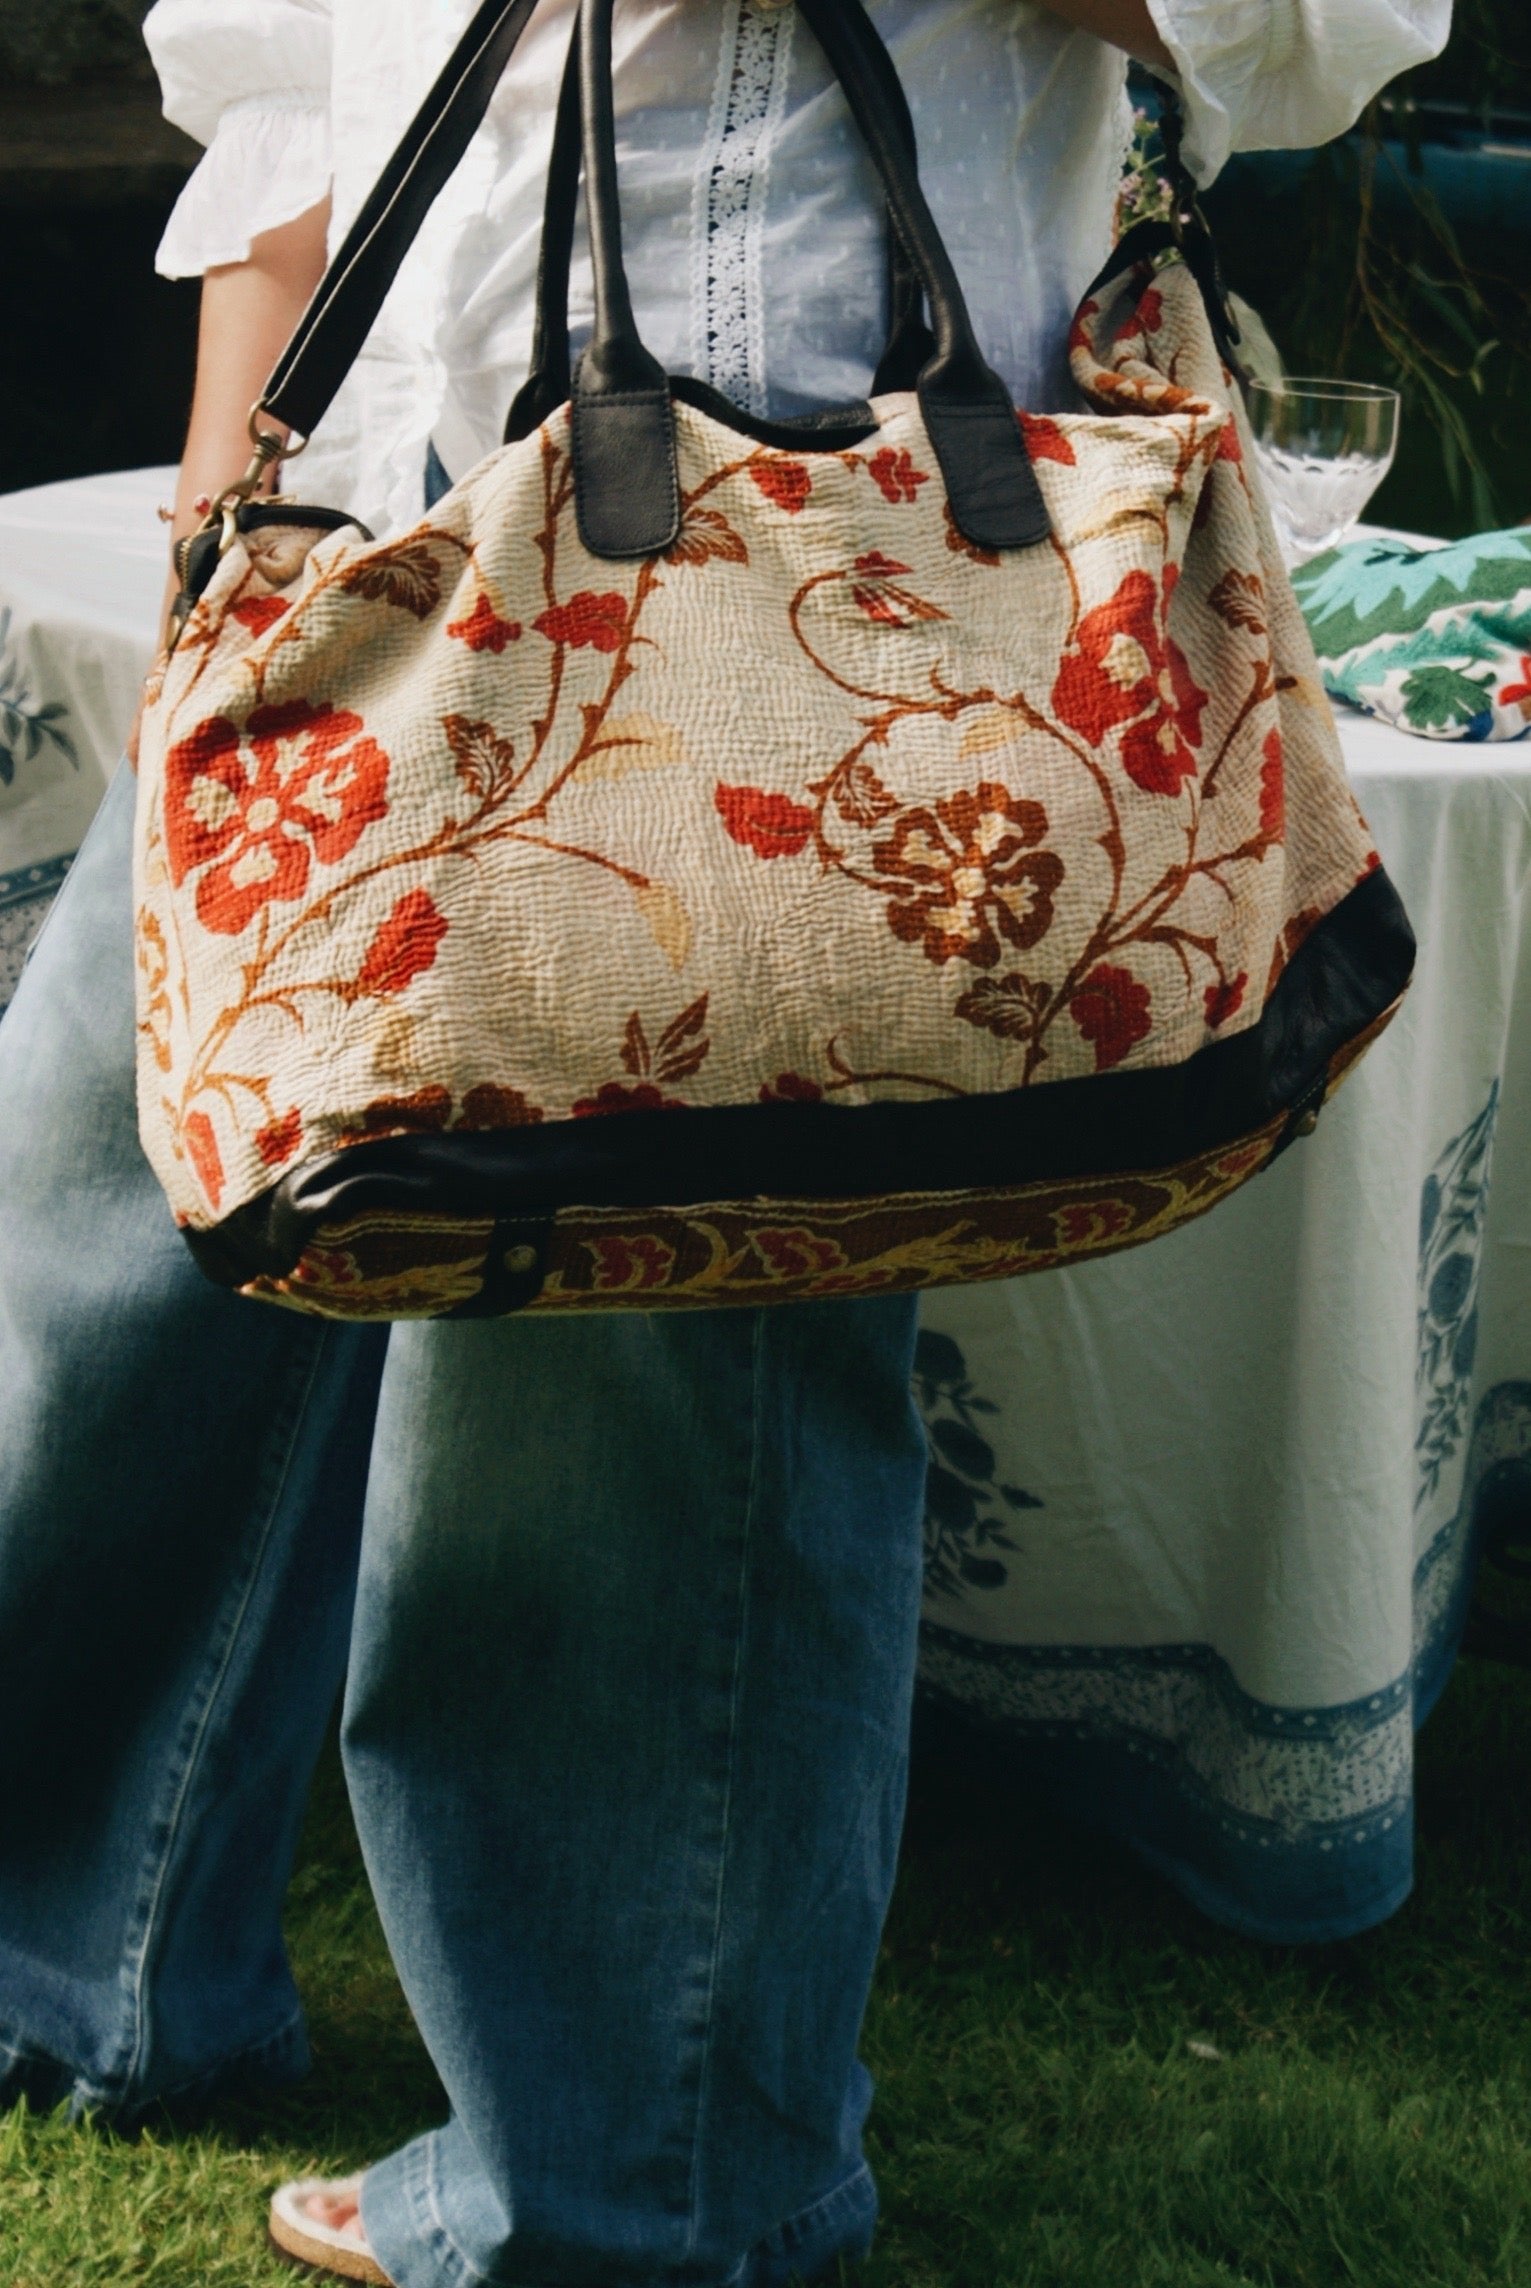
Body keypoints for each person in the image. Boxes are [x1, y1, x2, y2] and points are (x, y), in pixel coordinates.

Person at [0, 0, 1447, 2281]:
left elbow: (1331, 18)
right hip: (373, 516)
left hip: (805, 554)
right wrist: (218, 529)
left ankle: (631, 2186)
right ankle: (70, 1955)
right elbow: (282, 66)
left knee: (624, 1412)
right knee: (105, 1219)